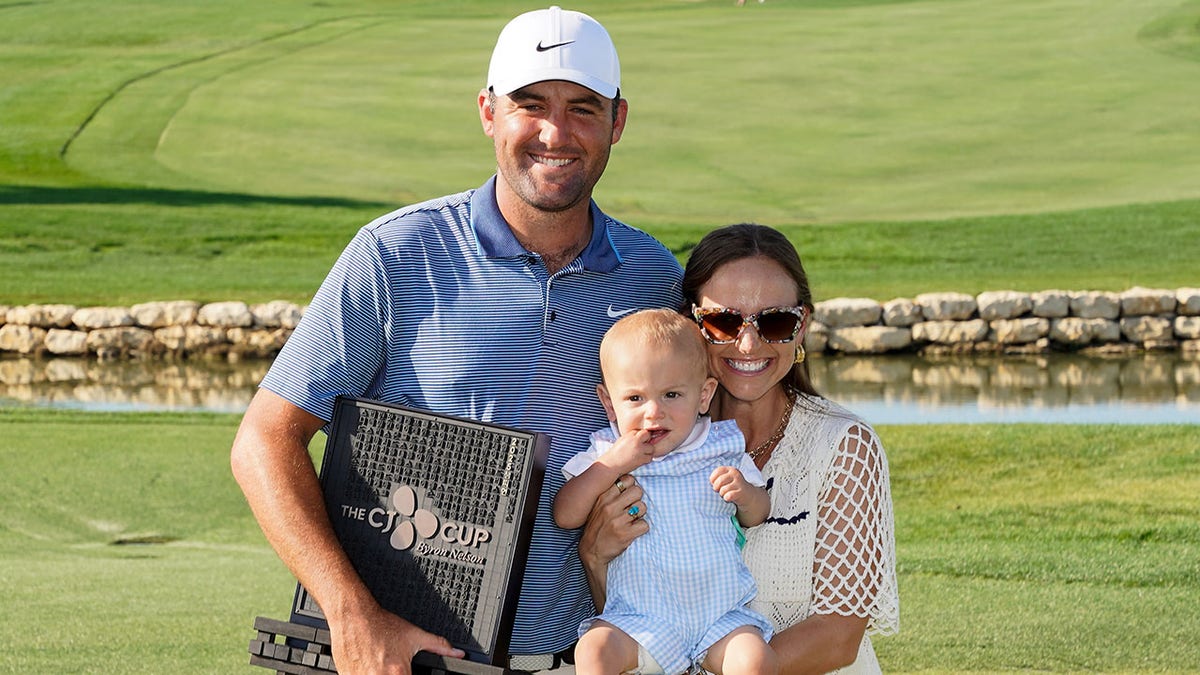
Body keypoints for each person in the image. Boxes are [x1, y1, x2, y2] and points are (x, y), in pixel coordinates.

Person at [229, 7, 683, 674]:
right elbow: (263, 440)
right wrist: (352, 613)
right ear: (488, 111)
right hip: (413, 658)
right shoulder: (395, 253)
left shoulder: (655, 277)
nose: (556, 132)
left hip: (579, 655)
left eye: (582, 108)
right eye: (530, 105)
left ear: (617, 120)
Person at [579, 224, 899, 674]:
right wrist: (594, 559)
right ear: (692, 325)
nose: (749, 343)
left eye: (775, 321)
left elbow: (838, 637)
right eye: (723, 321)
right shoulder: (641, 448)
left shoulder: (844, 446)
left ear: (801, 325)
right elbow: (636, 614)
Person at [554, 309, 777, 675]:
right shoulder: (607, 451)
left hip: (718, 617)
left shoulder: (722, 447)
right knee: (594, 649)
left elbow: (758, 513)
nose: (653, 413)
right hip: (640, 620)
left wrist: (746, 494)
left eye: (671, 394)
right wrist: (611, 465)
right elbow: (565, 514)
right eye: (635, 399)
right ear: (609, 403)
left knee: (756, 660)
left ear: (704, 396)